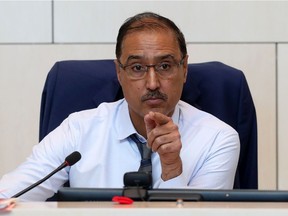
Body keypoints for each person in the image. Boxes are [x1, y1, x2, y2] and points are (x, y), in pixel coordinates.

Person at [0, 12, 240, 201]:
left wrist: (172, 168)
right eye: (137, 68)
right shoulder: (79, 129)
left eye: (165, 66)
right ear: (119, 72)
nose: (153, 83)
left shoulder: (217, 139)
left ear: (184, 69)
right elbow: (11, 195)